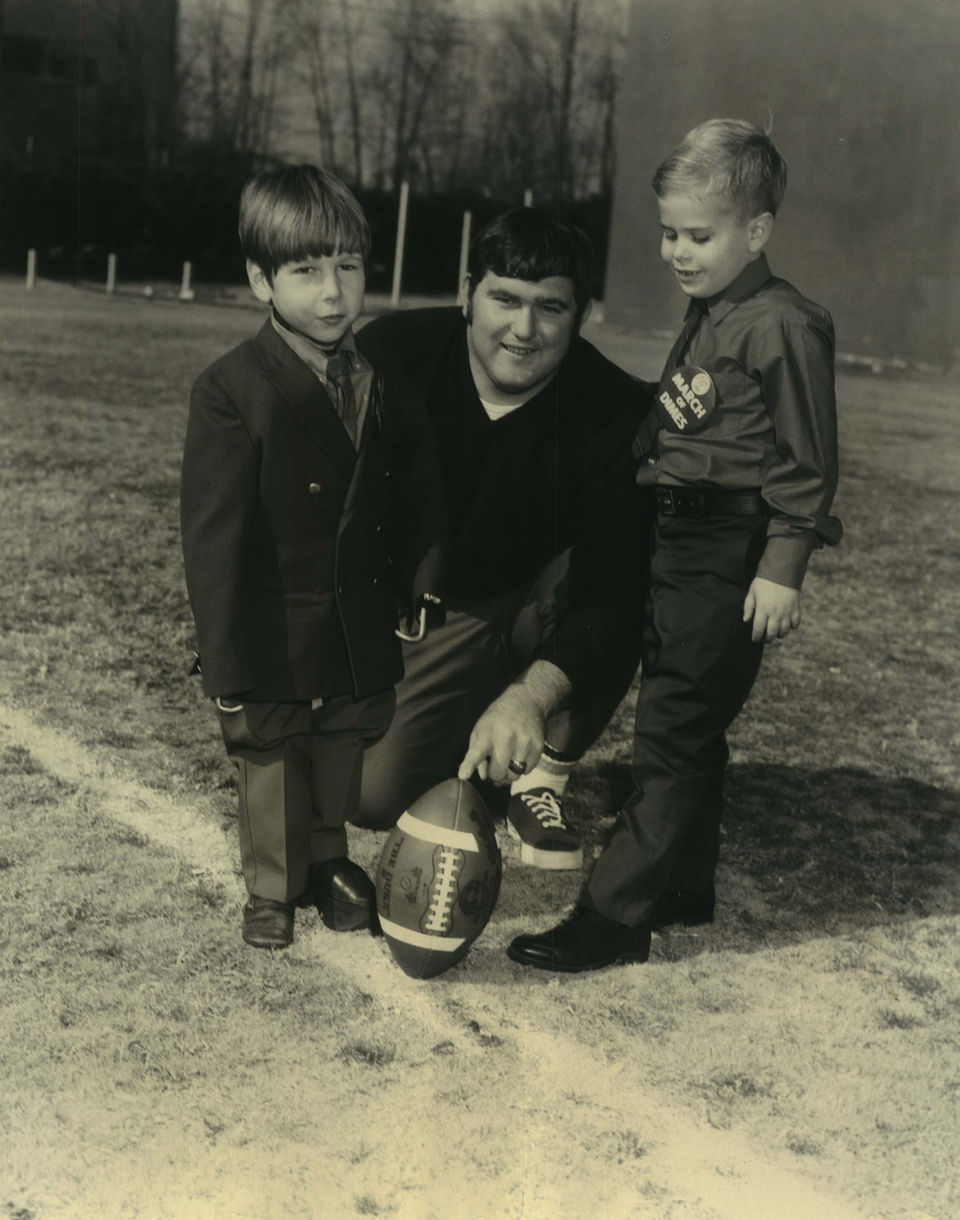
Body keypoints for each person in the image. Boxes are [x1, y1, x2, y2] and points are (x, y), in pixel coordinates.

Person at [508, 119, 843, 971]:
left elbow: (807, 463)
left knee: (671, 731)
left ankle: (617, 914)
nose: (678, 251)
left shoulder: (781, 324)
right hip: (679, 538)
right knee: (687, 717)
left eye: (700, 234)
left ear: (756, 231)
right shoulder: (713, 310)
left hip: (729, 544)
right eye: (669, 233)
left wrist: (782, 564)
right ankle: (686, 880)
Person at [180, 165, 442, 950]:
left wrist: (420, 585)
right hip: (272, 627)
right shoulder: (230, 389)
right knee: (270, 756)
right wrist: (224, 662)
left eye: (349, 267)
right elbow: (213, 537)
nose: (333, 293)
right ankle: (270, 886)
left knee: (339, 748)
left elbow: (418, 495)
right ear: (261, 278)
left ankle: (328, 859)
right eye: (306, 270)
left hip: (356, 615)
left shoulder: (385, 380)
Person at [354, 208, 654, 868]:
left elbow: (614, 590)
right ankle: (466, 712)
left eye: (550, 307)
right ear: (468, 293)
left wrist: (530, 697)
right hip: (429, 607)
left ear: (581, 314)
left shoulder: (614, 411)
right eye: (505, 299)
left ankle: (543, 772)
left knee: (648, 563)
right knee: (372, 795)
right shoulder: (391, 356)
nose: (524, 329)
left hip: (540, 602)